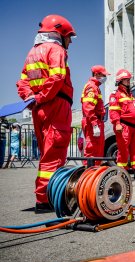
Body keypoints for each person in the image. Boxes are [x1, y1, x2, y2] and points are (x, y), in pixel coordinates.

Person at [16, 15, 76, 213]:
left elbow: (22, 82)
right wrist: (42, 97)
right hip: (55, 105)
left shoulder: (32, 53)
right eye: (68, 38)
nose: (69, 42)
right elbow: (58, 76)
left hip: (39, 109)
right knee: (54, 154)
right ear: (59, 33)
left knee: (46, 154)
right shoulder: (56, 49)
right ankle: (46, 199)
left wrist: (32, 98)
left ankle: (47, 196)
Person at [109, 69, 135, 180]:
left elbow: (134, 110)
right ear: (120, 81)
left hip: (133, 127)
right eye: (126, 80)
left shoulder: (130, 95)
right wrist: (117, 123)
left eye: (129, 80)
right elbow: (113, 111)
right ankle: (122, 174)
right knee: (123, 150)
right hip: (124, 126)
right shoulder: (115, 95)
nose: (129, 82)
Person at [81, 65, 109, 165]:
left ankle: (95, 173)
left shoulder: (95, 86)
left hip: (95, 121)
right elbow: (88, 107)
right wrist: (94, 124)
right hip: (92, 121)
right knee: (92, 148)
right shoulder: (92, 87)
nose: (105, 77)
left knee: (97, 149)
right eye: (104, 75)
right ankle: (89, 175)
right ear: (96, 74)